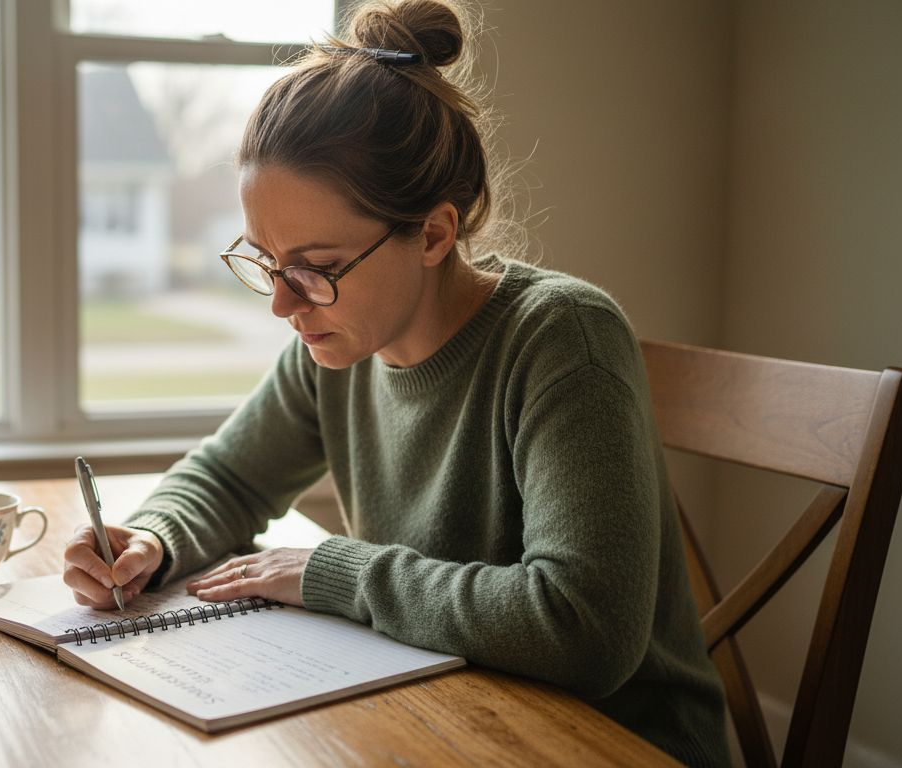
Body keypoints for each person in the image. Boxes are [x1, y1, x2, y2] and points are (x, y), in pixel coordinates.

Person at [62, 1, 729, 764]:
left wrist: (333, 571)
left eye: (316, 268)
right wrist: (151, 537)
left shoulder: (561, 340)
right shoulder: (340, 344)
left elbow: (583, 628)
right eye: (267, 262)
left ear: (435, 235)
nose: (283, 302)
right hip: (446, 719)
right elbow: (230, 477)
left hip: (610, 745)